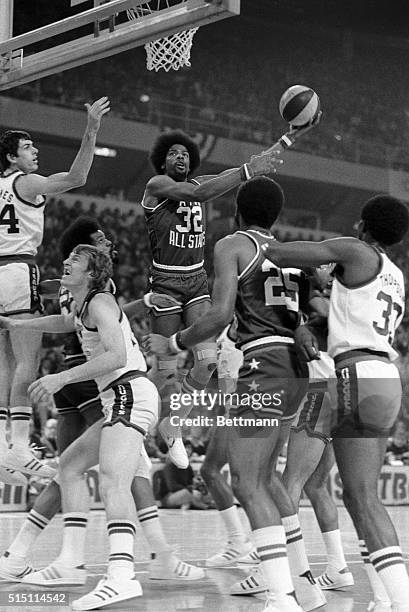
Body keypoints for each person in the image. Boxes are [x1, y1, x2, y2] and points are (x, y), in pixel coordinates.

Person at [144, 176, 326, 612]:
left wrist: (175, 343)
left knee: (246, 482)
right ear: (276, 215)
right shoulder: (289, 254)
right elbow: (306, 314)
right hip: (298, 369)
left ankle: (281, 598)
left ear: (238, 211)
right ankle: (304, 583)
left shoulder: (232, 245)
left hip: (263, 363)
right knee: (266, 480)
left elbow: (220, 314)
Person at [0, 219, 203, 586]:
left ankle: (20, 555)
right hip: (95, 381)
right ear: (86, 258)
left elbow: (77, 320)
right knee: (129, 470)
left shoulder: (74, 292)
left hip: (73, 382)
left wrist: (19, 324)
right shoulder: (96, 290)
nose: (108, 242)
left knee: (71, 470)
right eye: (100, 241)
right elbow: (98, 329)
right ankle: (155, 556)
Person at [260, 194, 409, 612]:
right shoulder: (394, 273)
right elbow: (349, 315)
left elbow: (278, 251)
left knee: (362, 496)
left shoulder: (353, 249)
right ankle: (383, 597)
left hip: (355, 375)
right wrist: (314, 321)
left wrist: (256, 236)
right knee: (359, 496)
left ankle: (401, 601)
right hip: (383, 376)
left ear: (364, 225)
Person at [141, 128, 285, 469]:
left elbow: (224, 180)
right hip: (165, 282)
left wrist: (282, 143)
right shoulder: (156, 187)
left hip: (195, 282)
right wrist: (247, 171)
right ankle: (137, 415)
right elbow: (205, 193)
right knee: (165, 372)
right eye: (174, 153)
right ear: (162, 160)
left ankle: (172, 426)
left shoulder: (201, 181)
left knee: (207, 363)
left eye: (186, 154)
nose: (181, 158)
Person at [0, 97, 110, 485]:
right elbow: (76, 178)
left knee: (4, 363)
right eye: (28, 148)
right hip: (16, 267)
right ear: (12, 158)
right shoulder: (24, 182)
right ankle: (17, 446)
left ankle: (3, 448)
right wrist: (92, 128)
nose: (36, 151)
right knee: (26, 360)